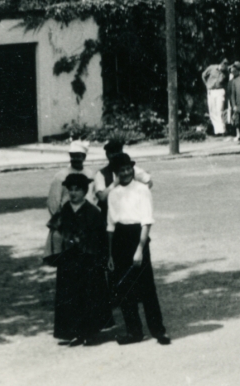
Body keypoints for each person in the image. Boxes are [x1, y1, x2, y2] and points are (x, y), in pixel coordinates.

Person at [105, 152, 170, 345]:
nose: (126, 173)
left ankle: (158, 330)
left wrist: (140, 248)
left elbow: (146, 221)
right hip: (119, 239)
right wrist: (109, 254)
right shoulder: (113, 194)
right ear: (116, 173)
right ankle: (134, 332)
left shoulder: (142, 190)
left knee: (146, 287)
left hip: (137, 237)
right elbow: (110, 225)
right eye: (121, 170)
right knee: (125, 288)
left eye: (128, 169)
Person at [47, 171, 110, 346]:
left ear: (85, 191)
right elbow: (56, 228)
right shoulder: (65, 209)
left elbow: (100, 237)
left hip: (88, 260)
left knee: (88, 295)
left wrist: (92, 250)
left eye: (78, 189)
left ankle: (89, 332)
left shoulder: (92, 211)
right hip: (69, 259)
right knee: (69, 295)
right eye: (71, 189)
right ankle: (73, 332)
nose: (74, 193)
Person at [46, 140, 93, 258]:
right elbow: (53, 202)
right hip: (67, 223)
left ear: (84, 157)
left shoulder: (90, 174)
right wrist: (63, 224)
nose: (76, 159)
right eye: (73, 156)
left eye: (79, 156)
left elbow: (93, 199)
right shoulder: (61, 176)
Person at [203, 58, 229, 136]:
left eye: (226, 65)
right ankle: (217, 130)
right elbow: (203, 75)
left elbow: (227, 81)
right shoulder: (212, 67)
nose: (224, 66)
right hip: (211, 90)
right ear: (221, 63)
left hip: (220, 90)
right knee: (212, 111)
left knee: (220, 110)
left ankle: (222, 130)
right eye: (224, 64)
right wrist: (206, 85)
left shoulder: (225, 72)